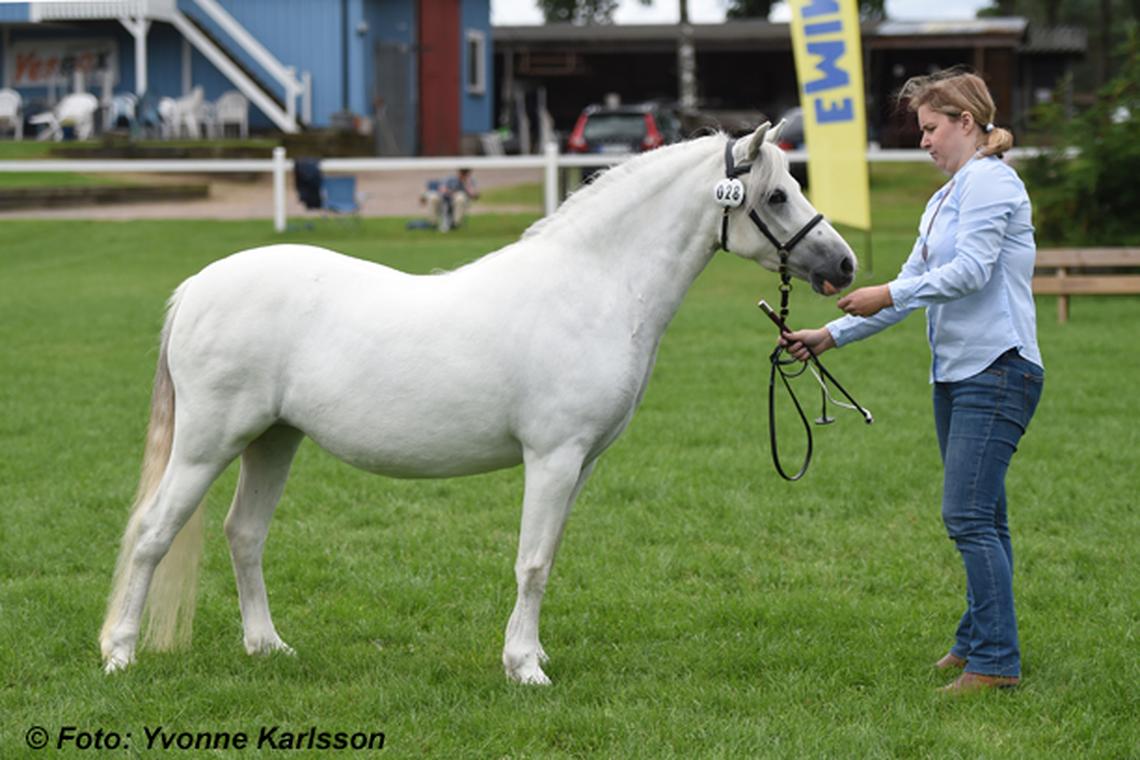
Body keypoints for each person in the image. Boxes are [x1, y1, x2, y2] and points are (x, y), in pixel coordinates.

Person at [781, 68, 1044, 693]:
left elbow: (973, 272)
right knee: (987, 517)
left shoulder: (991, 184)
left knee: (968, 517)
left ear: (965, 123)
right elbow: (906, 296)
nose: (923, 141)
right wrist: (830, 335)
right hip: (957, 374)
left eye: (930, 129)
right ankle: (976, 641)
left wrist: (889, 290)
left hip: (998, 367)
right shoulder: (944, 198)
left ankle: (995, 664)